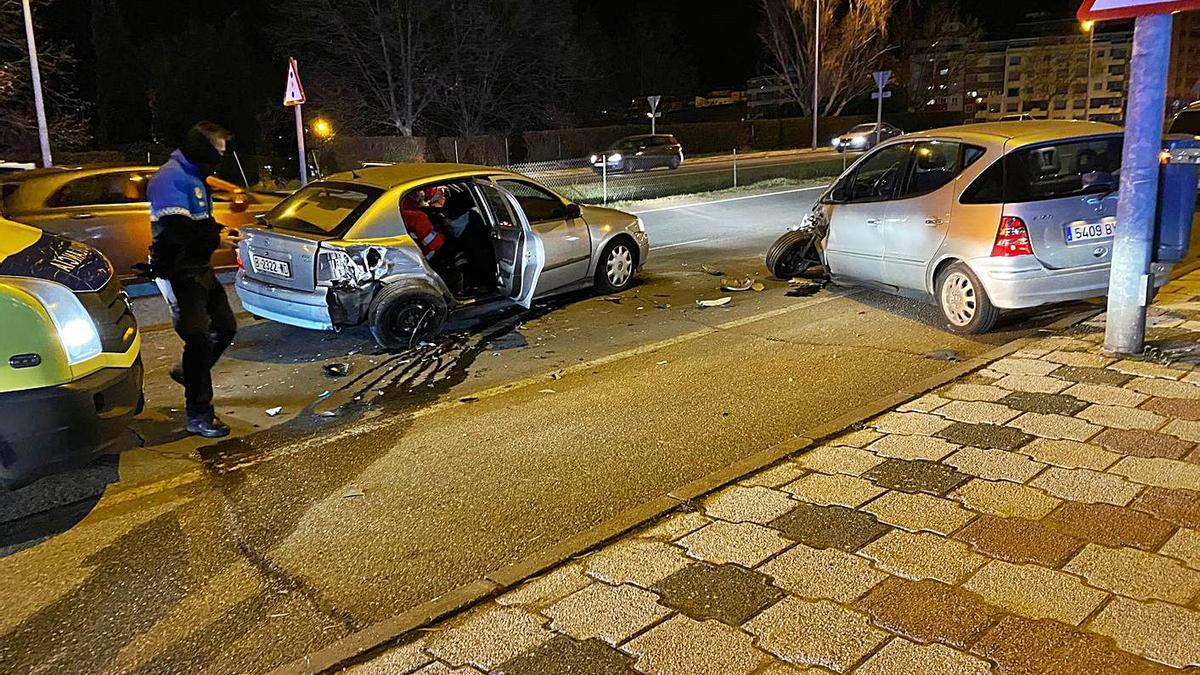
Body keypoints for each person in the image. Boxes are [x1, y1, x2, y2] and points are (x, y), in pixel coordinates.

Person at [145, 122, 238, 438]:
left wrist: (223, 234)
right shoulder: (170, 179)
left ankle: (189, 372)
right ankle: (199, 414)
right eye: (219, 150)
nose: (221, 157)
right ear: (204, 148)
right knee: (197, 338)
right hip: (176, 270)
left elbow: (202, 222)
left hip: (199, 267)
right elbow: (179, 230)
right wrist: (218, 238)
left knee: (225, 327)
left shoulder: (194, 177)